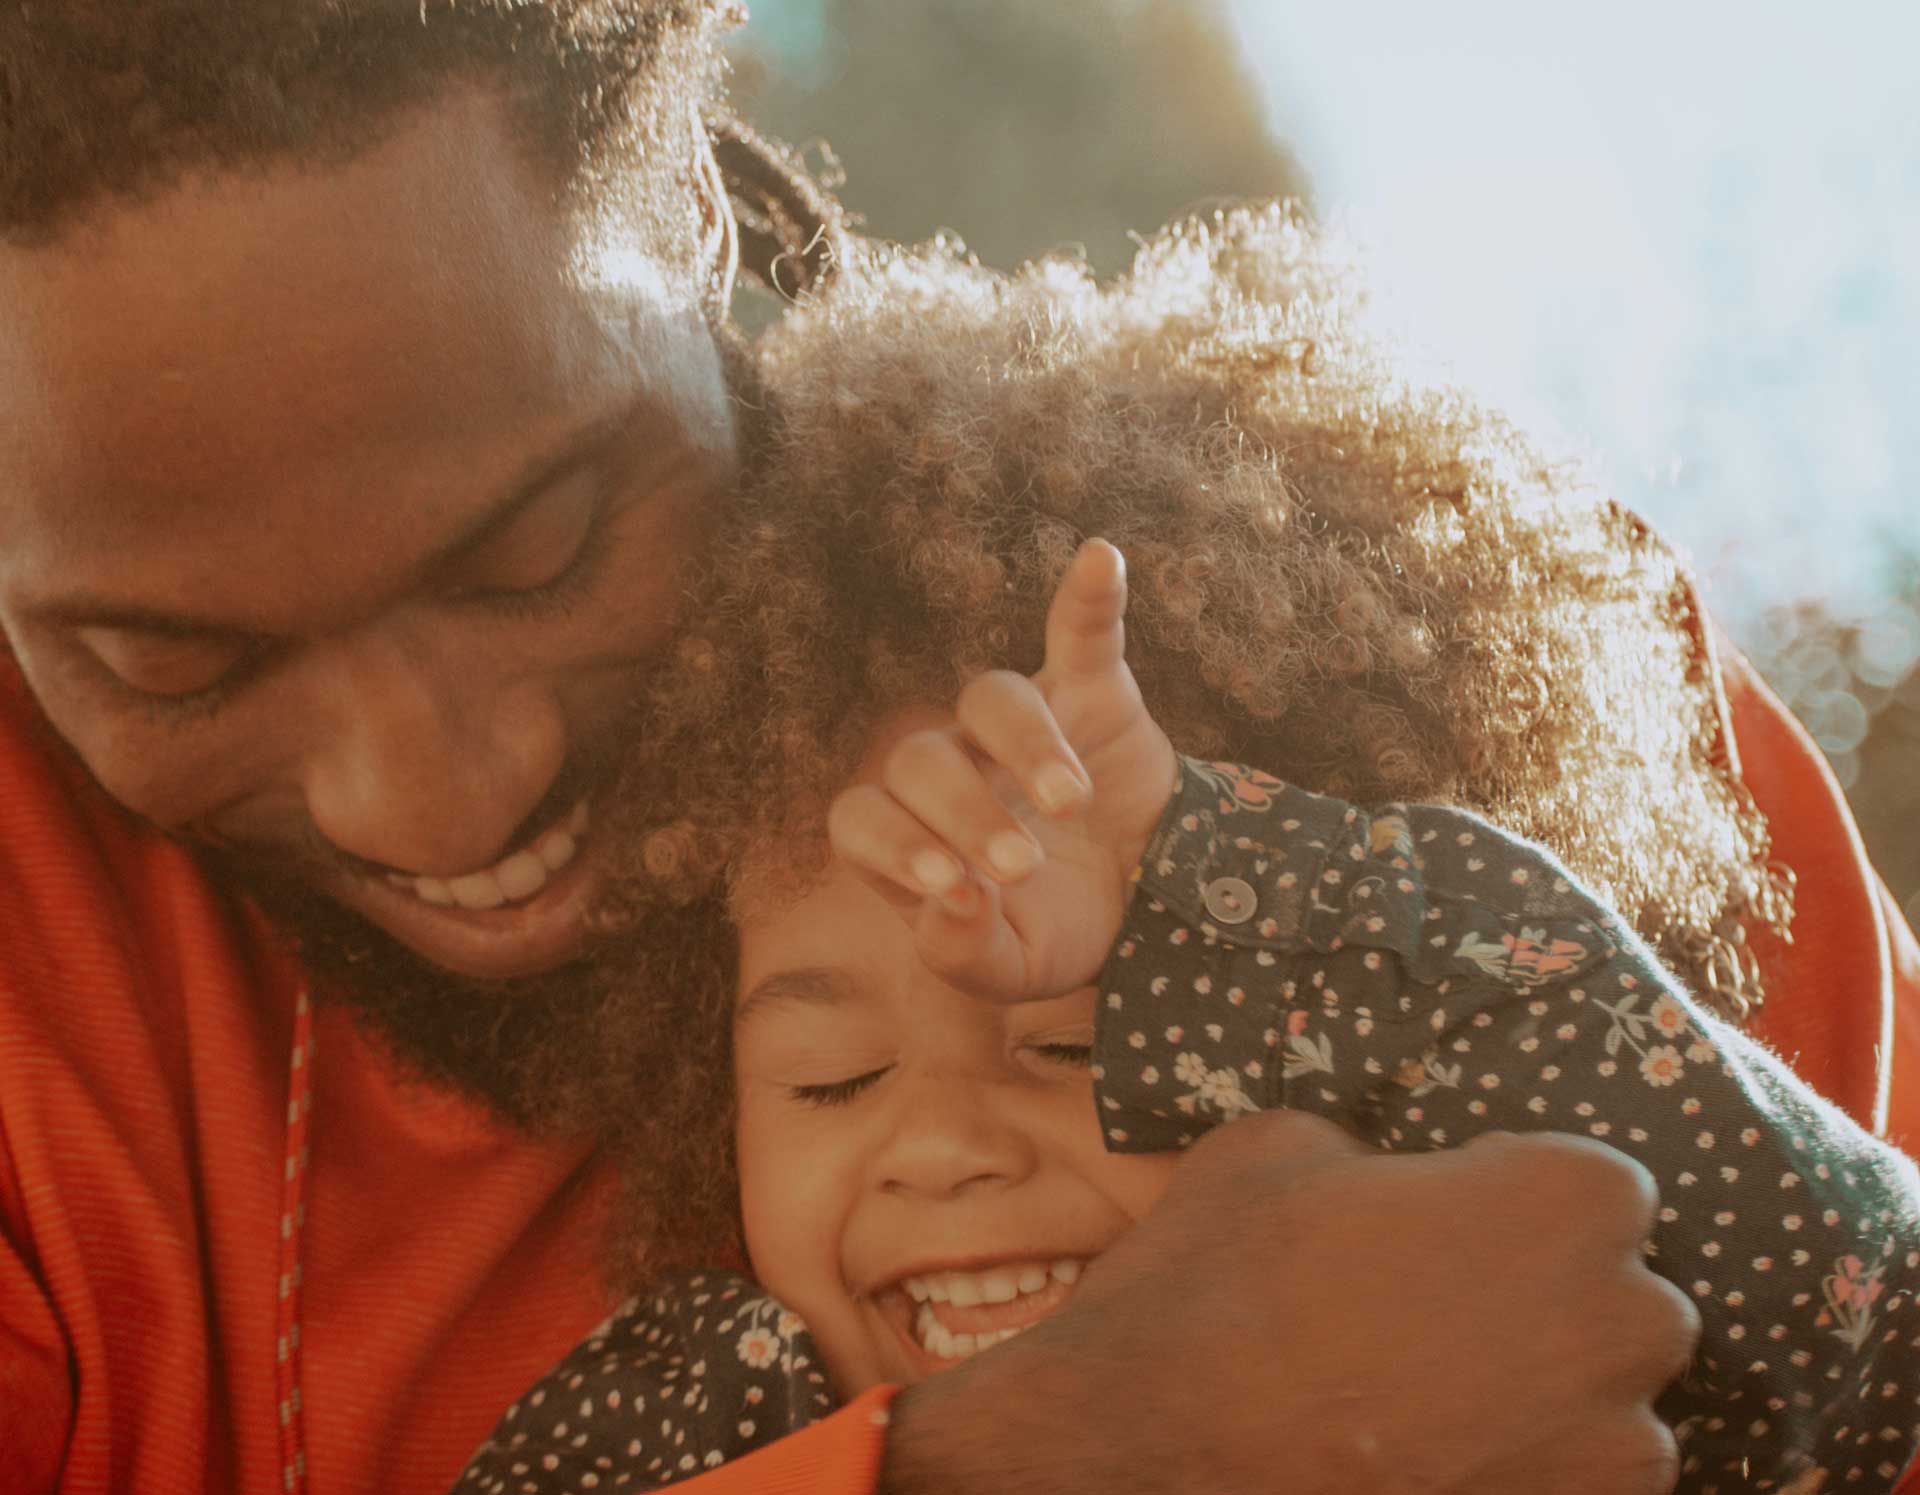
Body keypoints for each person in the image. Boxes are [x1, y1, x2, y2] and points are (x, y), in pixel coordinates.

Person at [0, 2, 1907, 1492]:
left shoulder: (1392, 666)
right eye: (166, 663)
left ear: (693, 211)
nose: (435, 790)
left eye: (541, 550)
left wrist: (1278, 887)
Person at [456, 539, 1920, 1492]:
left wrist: (1234, 885)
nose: (946, 1147)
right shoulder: (695, 1416)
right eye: (832, 1080)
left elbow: (1867, 1320)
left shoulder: (1547, 1384)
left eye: (1078, 1045)